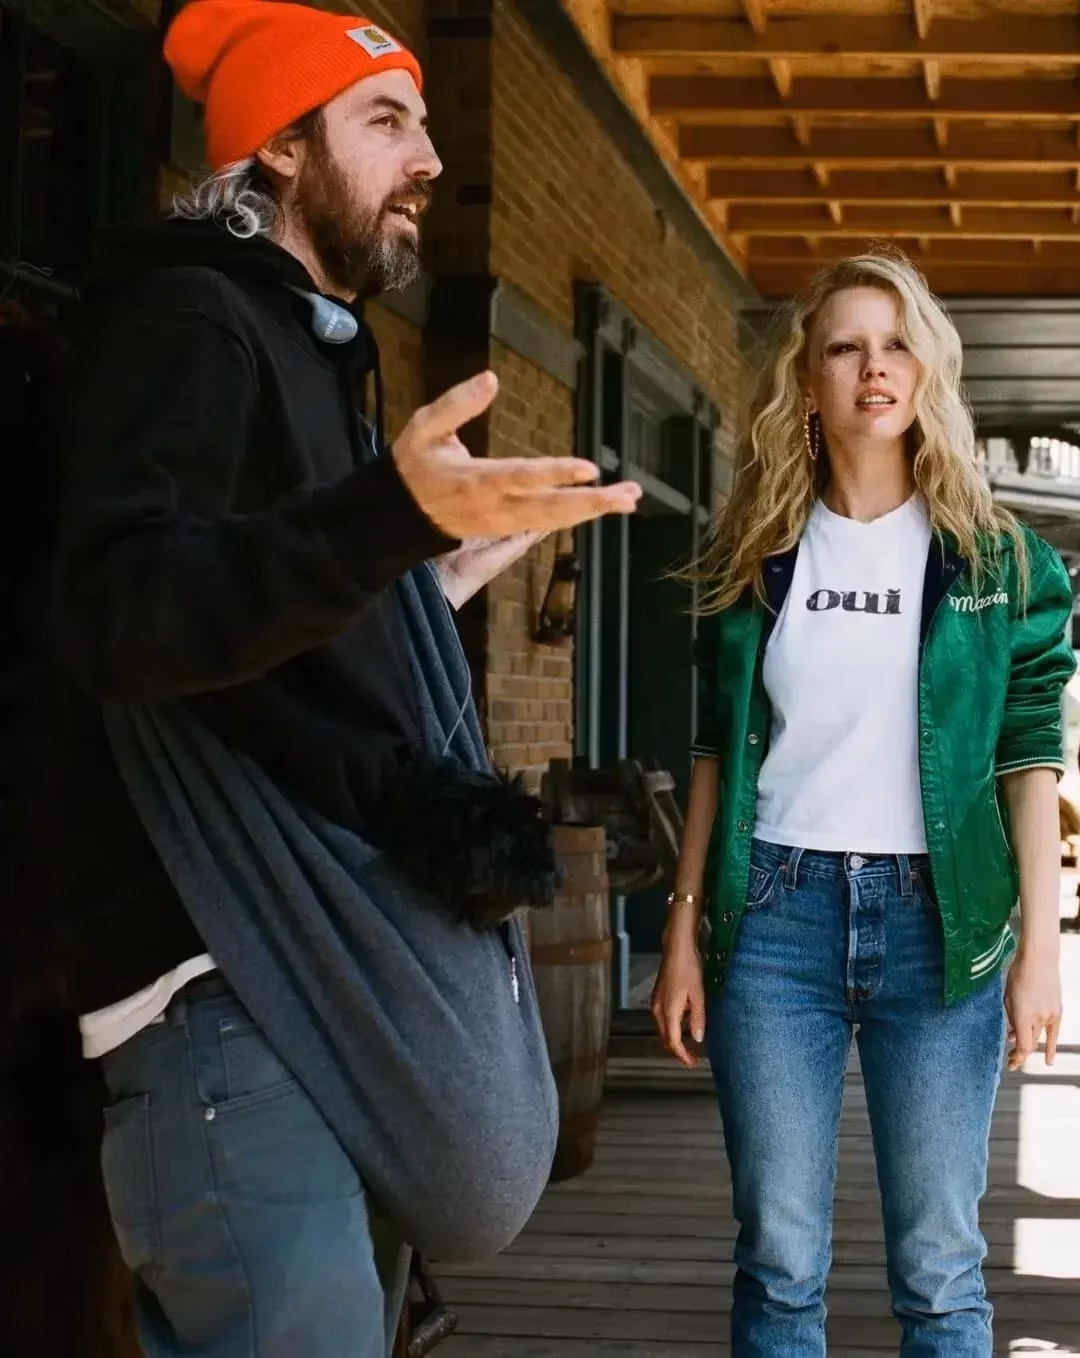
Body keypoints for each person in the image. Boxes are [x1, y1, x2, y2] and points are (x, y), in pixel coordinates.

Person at [31, 2, 642, 1355]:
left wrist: (428, 584)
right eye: (384, 121)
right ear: (280, 151)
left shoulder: (304, 346)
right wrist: (385, 520)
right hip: (225, 995)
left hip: (307, 994)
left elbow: (267, 637)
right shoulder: (192, 322)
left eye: (423, 121)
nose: (426, 156)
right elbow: (126, 611)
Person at [652, 251, 1071, 1357]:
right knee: (778, 1257)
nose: (873, 367)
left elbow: (1031, 758)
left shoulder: (999, 563)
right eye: (845, 345)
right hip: (774, 917)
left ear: (929, 370)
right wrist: (684, 920)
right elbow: (713, 749)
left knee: (939, 1262)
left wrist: (1043, 944)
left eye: (896, 343)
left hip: (942, 925)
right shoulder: (758, 555)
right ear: (808, 379)